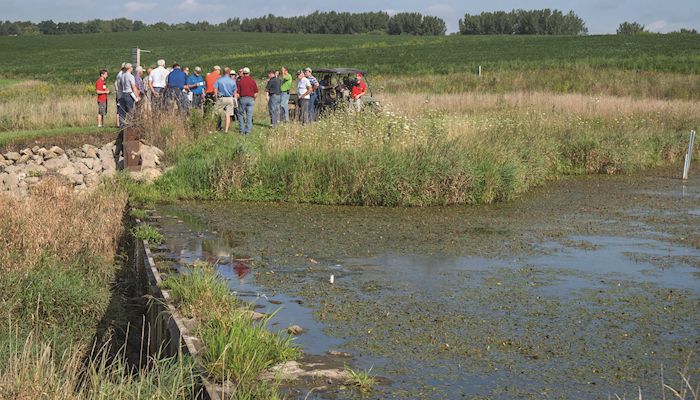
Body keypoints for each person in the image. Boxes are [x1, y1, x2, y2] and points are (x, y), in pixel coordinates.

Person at [214, 67, 237, 133]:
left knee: (217, 112)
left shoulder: (219, 80)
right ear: (229, 73)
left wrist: (216, 97)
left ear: (223, 72)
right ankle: (226, 130)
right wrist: (235, 100)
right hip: (230, 98)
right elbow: (235, 91)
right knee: (228, 115)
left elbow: (215, 89)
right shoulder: (232, 81)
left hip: (221, 98)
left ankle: (218, 127)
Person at [236, 67, 258, 135]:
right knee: (249, 115)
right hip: (251, 99)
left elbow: (237, 93)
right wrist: (253, 99)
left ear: (243, 73)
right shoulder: (252, 81)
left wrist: (239, 99)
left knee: (240, 114)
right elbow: (256, 92)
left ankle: (241, 130)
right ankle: (248, 131)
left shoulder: (240, 81)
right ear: (249, 73)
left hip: (243, 99)